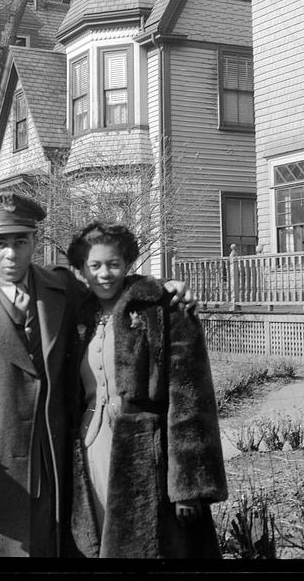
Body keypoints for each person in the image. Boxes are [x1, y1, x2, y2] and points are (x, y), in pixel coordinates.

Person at [0, 191, 195, 557]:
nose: (11, 254)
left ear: (34, 242)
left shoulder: (60, 288)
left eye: (20, 241)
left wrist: (162, 290)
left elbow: (108, 282)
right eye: (1, 243)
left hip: (51, 468)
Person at [66, 221, 228, 559]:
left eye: (113, 264)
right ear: (82, 270)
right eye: (94, 266)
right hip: (89, 449)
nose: (105, 274)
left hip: (146, 455)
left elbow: (190, 396)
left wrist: (189, 487)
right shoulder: (77, 315)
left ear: (127, 264)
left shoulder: (161, 308)